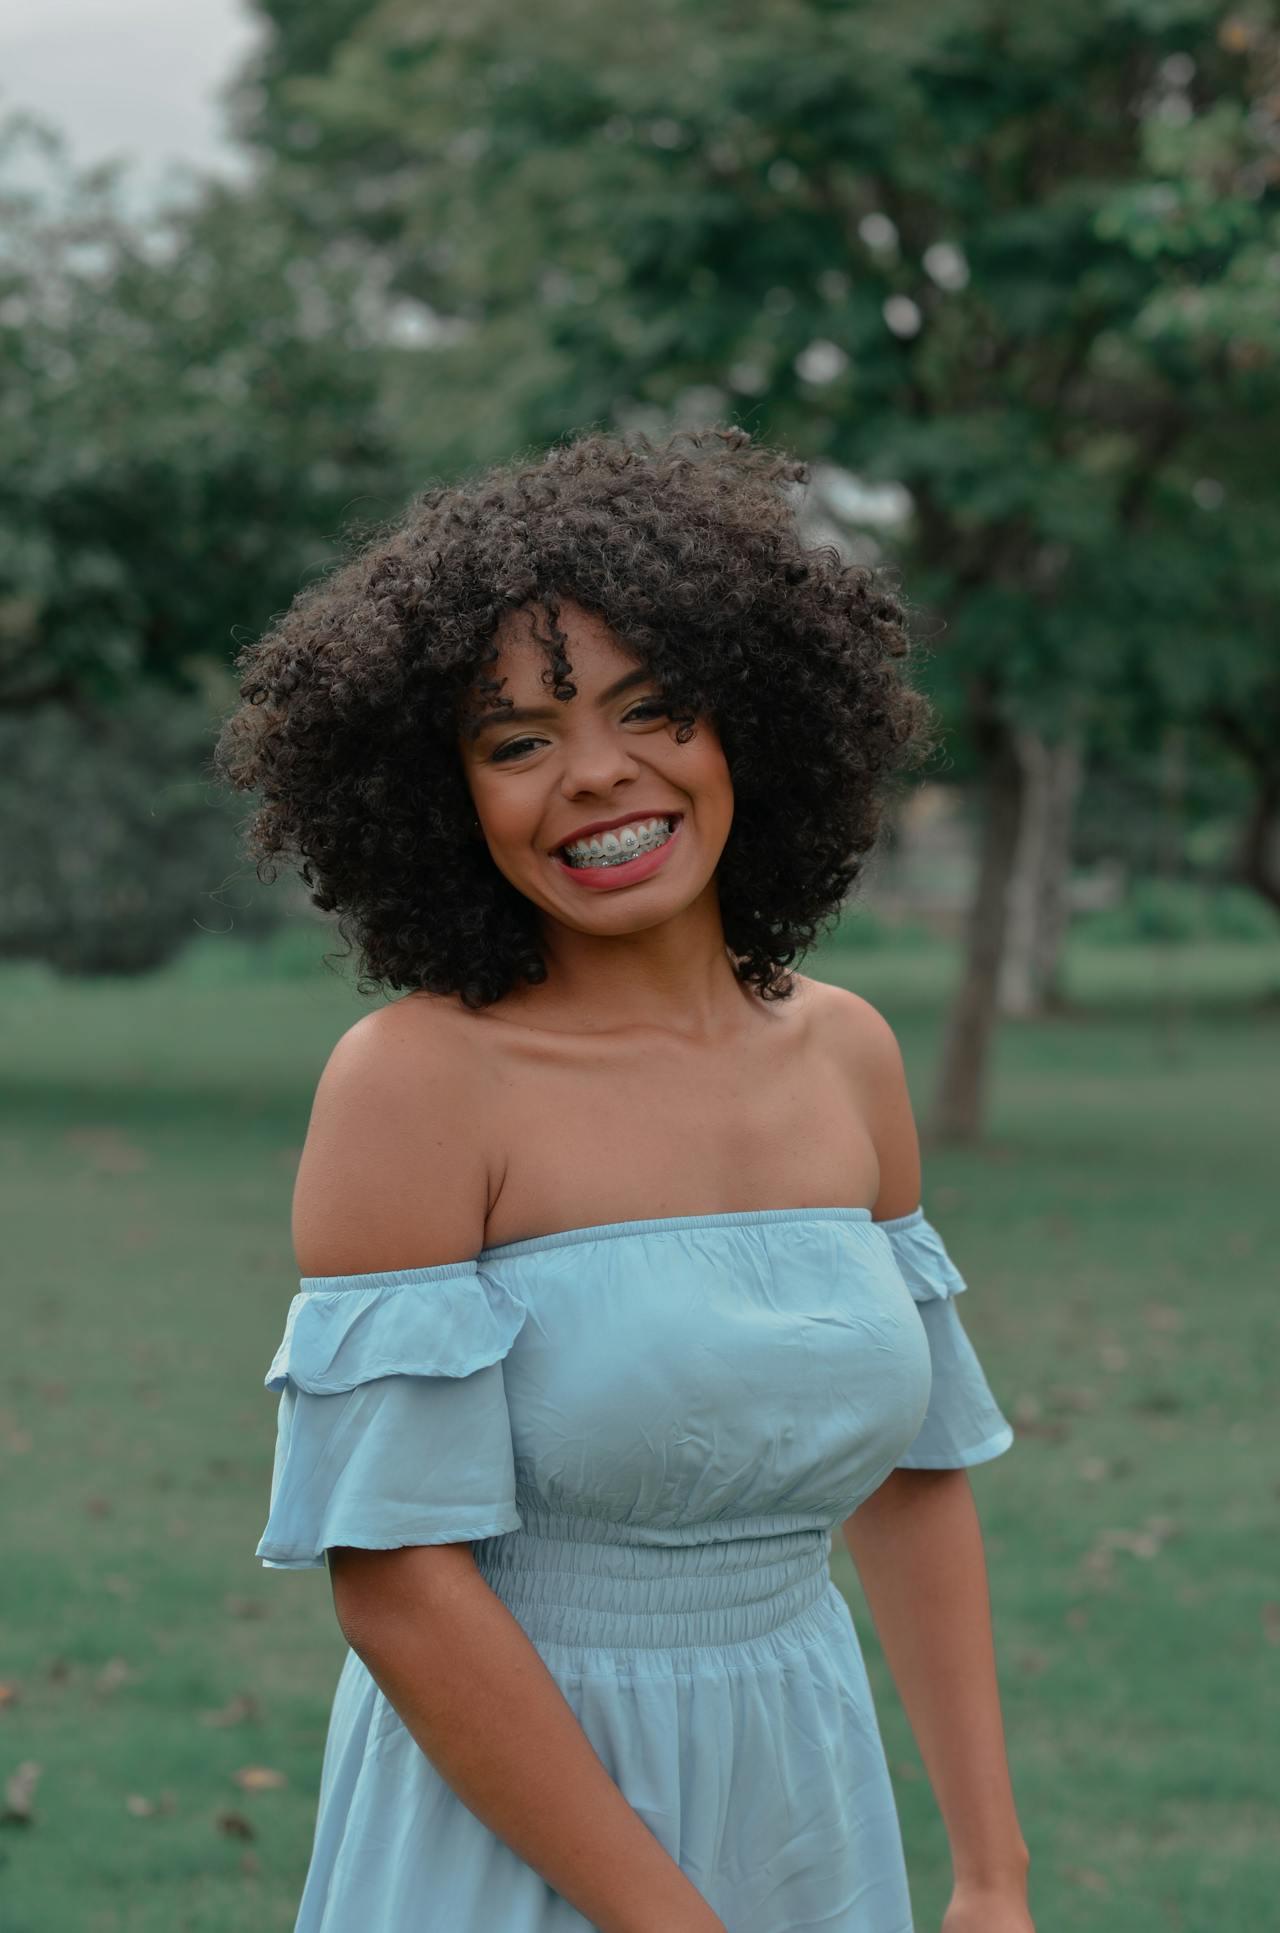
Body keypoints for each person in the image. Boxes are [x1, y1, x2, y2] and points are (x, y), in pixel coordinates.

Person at [214, 425, 1034, 1933]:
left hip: (801, 1785)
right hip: (508, 1821)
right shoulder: (416, 1084)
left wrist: (989, 1871)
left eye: (655, 709)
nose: (598, 774)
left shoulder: (849, 1056)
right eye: (517, 739)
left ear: (757, 729)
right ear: (440, 794)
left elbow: (917, 1477)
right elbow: (397, 1582)